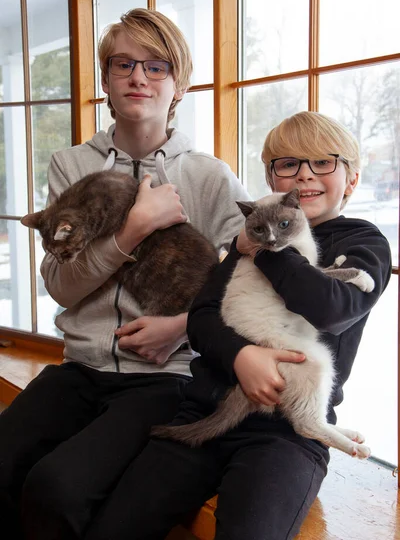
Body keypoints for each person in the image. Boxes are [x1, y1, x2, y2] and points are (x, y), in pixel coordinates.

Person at [0, 8, 252, 540]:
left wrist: (184, 325)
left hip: (163, 378)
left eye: (156, 66)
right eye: (123, 65)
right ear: (107, 83)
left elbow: (245, 281)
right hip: (79, 366)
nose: (139, 77)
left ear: (178, 84)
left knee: (57, 487)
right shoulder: (70, 165)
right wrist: (130, 232)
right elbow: (61, 285)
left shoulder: (209, 175)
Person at [83, 111, 392, 540]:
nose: (304, 175)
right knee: (114, 527)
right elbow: (202, 317)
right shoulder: (254, 231)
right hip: (208, 408)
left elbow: (331, 309)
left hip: (285, 434)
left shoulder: (363, 242)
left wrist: (265, 247)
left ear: (352, 179)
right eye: (288, 164)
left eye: (323, 162)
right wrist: (242, 356)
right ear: (272, 177)